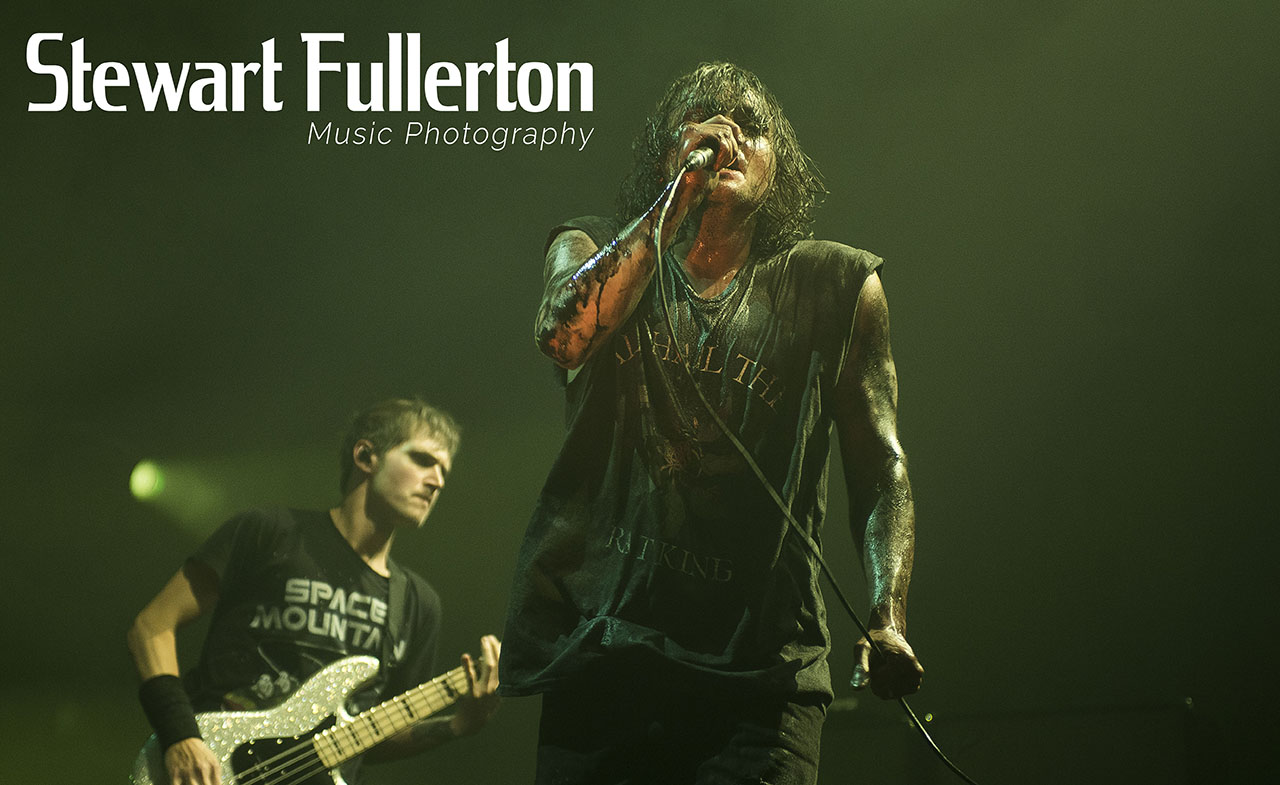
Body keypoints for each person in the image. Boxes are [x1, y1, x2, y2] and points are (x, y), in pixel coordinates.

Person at [499, 62, 924, 784]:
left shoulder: (834, 285)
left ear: (778, 164)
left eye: (750, 127)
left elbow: (880, 465)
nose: (727, 136)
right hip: (604, 655)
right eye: (700, 125)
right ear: (667, 156)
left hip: (760, 682)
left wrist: (888, 615)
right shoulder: (591, 245)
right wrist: (679, 198)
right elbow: (563, 335)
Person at [128, 397, 502, 785]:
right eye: (423, 460)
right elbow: (152, 627)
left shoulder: (417, 604)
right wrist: (181, 737)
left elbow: (375, 738)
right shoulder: (270, 532)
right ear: (366, 456)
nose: (437, 481)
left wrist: (456, 725)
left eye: (444, 470)